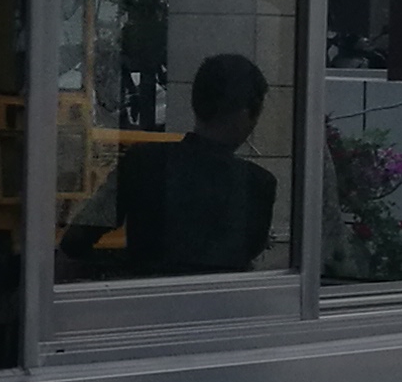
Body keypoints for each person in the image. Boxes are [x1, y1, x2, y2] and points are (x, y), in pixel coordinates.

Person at [109, 53, 282, 275]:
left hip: (143, 293)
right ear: (245, 114)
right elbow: (248, 253)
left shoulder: (142, 161)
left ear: (195, 103)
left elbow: (78, 238)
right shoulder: (257, 184)